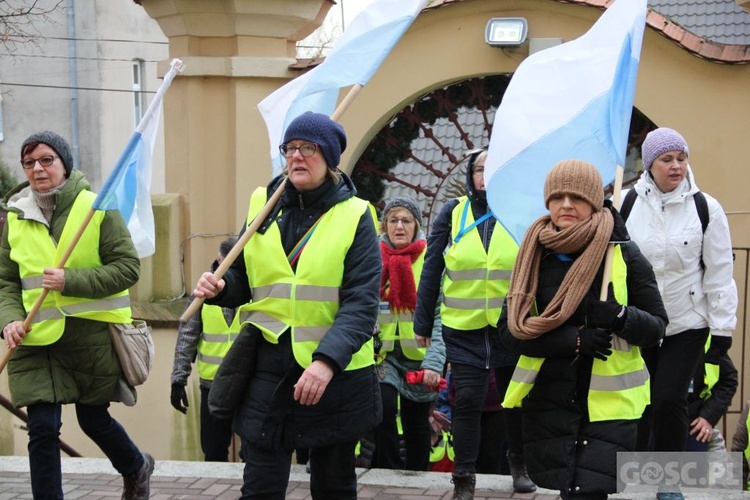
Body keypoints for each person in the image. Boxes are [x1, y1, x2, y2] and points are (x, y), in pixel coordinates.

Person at [193, 111, 382, 500]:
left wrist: (326, 361)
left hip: (336, 374)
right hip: (268, 367)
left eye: (308, 149)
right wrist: (221, 286)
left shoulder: (356, 215)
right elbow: (245, 279)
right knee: (259, 486)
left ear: (329, 157)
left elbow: (362, 304)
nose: (296, 157)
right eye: (290, 148)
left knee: (333, 487)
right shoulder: (263, 202)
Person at [499, 159, 668, 500]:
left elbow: (657, 328)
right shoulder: (533, 255)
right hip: (551, 400)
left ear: (593, 202)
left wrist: (620, 316)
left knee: (589, 492)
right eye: (557, 197)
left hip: (608, 405)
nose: (565, 205)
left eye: (576, 197)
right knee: (569, 491)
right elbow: (509, 332)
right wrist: (574, 340)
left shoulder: (622, 254)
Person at [0, 131, 153, 499]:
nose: (38, 168)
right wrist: (8, 320)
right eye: (29, 162)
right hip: (35, 341)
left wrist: (71, 280)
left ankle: (136, 467)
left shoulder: (97, 207)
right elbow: (6, 280)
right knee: (42, 427)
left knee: (93, 420)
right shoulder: (16, 216)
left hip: (89, 341)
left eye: (46, 160)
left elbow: (127, 268)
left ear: (64, 164)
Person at [413, 146, 535, 498]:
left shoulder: (519, 213)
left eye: (494, 169)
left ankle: (519, 465)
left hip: (510, 326)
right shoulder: (453, 213)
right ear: (471, 175)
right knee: (467, 400)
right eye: (480, 169)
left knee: (514, 399)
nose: (486, 176)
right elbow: (432, 268)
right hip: (463, 328)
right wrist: (422, 324)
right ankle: (463, 479)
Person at [623, 128, 738, 467]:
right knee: (638, 400)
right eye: (667, 159)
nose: (676, 166)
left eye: (682, 158)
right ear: (649, 165)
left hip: (687, 322)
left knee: (668, 399)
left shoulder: (707, 208)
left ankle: (668, 478)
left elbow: (719, 273)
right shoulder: (626, 202)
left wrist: (722, 331)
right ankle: (636, 473)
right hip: (640, 321)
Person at [372, 196, 446, 471]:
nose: (399, 226)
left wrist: (435, 362)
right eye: (393, 220)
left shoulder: (432, 261)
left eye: (406, 220)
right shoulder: (372, 258)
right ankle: (388, 475)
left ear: (417, 225)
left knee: (417, 427)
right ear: (384, 226)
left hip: (421, 359)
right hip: (383, 357)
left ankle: (417, 481)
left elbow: (442, 316)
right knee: (383, 409)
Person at [171, 235, 240, 462]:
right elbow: (187, 336)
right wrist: (178, 380)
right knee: (212, 451)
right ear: (219, 261)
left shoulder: (253, 289)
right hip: (213, 386)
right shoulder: (201, 293)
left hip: (248, 384)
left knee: (254, 451)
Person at [685, 335, 738, 452]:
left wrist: (708, 416)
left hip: (693, 425)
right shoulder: (655, 332)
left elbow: (729, 380)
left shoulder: (705, 338)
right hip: (654, 425)